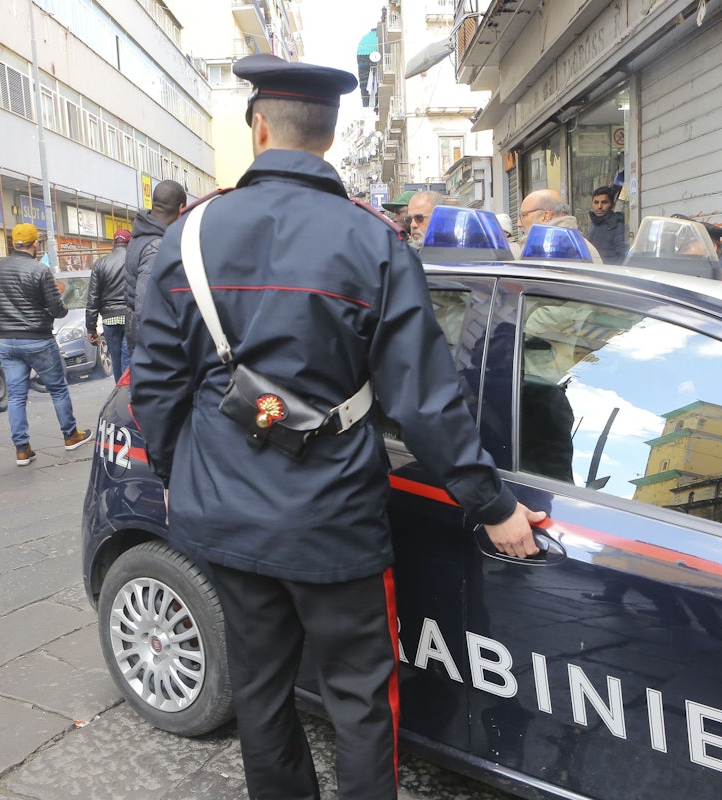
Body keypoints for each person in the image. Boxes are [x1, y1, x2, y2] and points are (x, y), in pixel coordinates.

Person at [131, 53, 544, 800]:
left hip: (222, 510)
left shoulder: (186, 238)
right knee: (358, 697)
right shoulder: (372, 239)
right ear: (327, 136)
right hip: (332, 518)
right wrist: (491, 504)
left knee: (259, 687)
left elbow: (156, 390)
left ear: (259, 127)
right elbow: (423, 397)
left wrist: (177, 479)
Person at [0, 222, 93, 467]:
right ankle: (70, 435)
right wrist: (62, 306)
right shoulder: (39, 270)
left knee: (16, 396)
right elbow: (57, 309)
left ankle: (22, 449)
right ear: (35, 243)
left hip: (7, 340)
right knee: (57, 388)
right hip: (37, 339)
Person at [124, 179, 186, 354]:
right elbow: (146, 305)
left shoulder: (140, 236)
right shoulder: (157, 245)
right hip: (152, 340)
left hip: (136, 330)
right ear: (181, 208)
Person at [86, 229, 131, 381]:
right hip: (130, 316)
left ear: (113, 243)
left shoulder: (100, 264)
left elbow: (93, 297)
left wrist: (91, 328)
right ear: (129, 242)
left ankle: (120, 393)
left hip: (109, 319)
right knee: (128, 358)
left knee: (116, 360)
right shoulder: (135, 260)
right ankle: (129, 395)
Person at [586, 185, 627, 263]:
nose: (599, 206)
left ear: (612, 205)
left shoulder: (617, 225)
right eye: (596, 202)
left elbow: (621, 256)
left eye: (604, 202)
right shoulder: (594, 224)